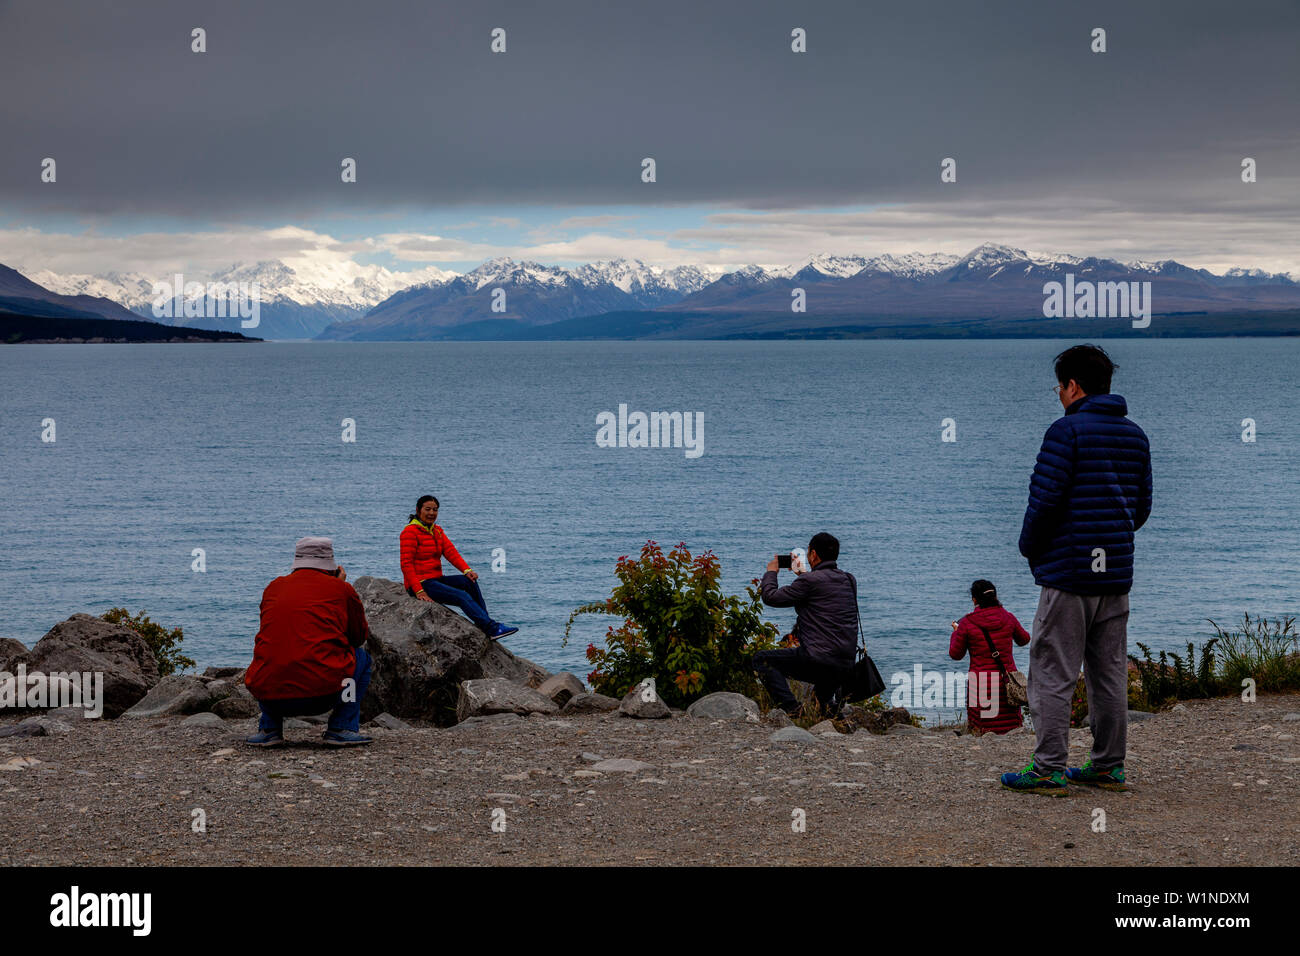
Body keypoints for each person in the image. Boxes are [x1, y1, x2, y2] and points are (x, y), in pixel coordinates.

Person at [1001, 345, 1152, 795]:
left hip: (1068, 572)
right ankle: (1107, 765)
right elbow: (1140, 509)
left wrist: (1029, 548)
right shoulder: (1135, 435)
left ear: (1073, 386)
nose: (1058, 395)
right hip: (1115, 573)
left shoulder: (1065, 432)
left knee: (1052, 669)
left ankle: (1047, 768)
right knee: (1108, 672)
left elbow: (1044, 501)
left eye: (1059, 386)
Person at [244, 537, 373, 747]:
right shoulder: (342, 589)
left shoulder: (273, 587)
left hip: (270, 695)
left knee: (274, 651)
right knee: (362, 658)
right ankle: (342, 727)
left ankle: (270, 728)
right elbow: (358, 637)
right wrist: (339, 589)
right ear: (331, 564)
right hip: (323, 695)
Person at [753, 532, 858, 717]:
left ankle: (792, 709)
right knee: (822, 709)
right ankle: (832, 717)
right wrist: (802, 573)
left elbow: (771, 597)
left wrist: (771, 571)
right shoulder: (849, 580)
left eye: (809, 553)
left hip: (817, 660)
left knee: (762, 659)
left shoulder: (809, 581)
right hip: (844, 664)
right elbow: (822, 593)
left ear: (814, 554)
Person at [400, 495, 518, 640]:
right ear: (418, 510)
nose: (431, 513)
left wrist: (467, 570)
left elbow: (450, 552)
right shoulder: (410, 532)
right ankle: (491, 628)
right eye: (428, 509)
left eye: (435, 510)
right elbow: (406, 564)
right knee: (461, 596)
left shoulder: (436, 531)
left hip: (436, 579)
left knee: (468, 582)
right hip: (422, 584)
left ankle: (485, 623)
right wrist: (419, 591)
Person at [949, 579, 1031, 734]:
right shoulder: (1008, 617)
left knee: (979, 728)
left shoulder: (966, 623)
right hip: (1007, 681)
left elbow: (955, 654)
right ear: (995, 596)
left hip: (979, 683)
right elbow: (1024, 639)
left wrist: (956, 633)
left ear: (974, 599)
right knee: (1010, 727)